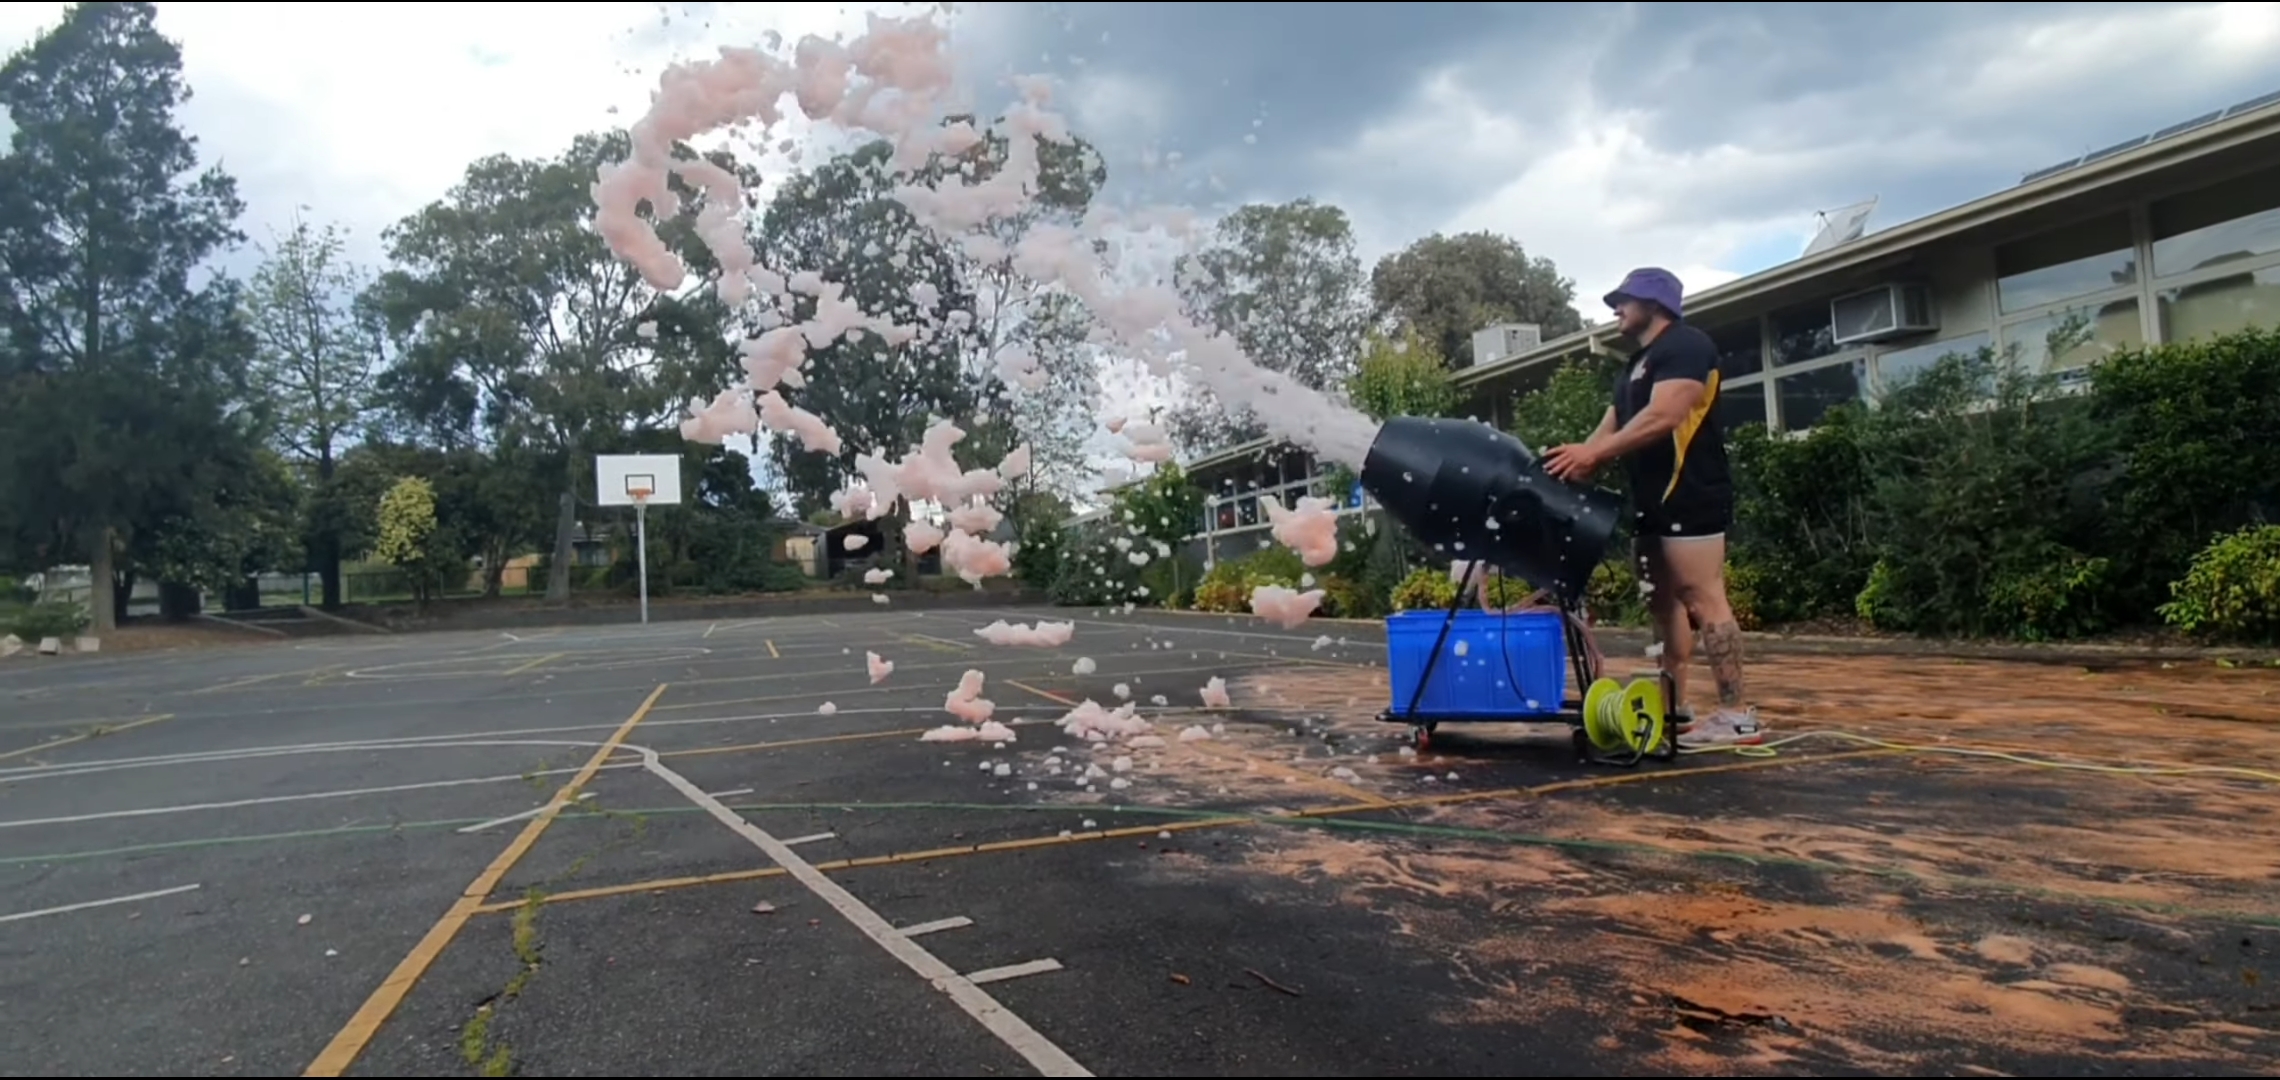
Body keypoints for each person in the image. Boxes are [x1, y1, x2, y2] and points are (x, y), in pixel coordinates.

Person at [1541, 267, 1762, 748]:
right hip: (1649, 499)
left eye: (1624, 300)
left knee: (1702, 595)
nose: (1615, 309)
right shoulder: (1633, 367)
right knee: (1661, 604)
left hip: (1690, 490)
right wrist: (1571, 463)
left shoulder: (1686, 346)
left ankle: (1737, 715)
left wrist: (1594, 454)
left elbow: (1665, 415)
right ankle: (1672, 707)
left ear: (1655, 304)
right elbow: (1609, 429)